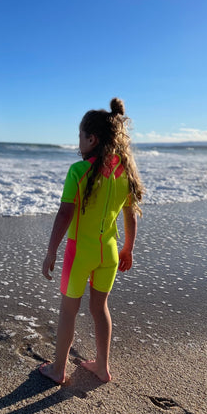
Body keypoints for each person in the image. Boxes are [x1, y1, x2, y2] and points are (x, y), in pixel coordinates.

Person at [40, 98, 144, 384]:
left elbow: (64, 214)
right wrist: (128, 249)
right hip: (109, 253)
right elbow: (131, 216)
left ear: (92, 138)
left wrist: (51, 251)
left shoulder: (78, 171)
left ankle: (58, 369)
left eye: (80, 136)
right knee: (100, 309)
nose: (78, 142)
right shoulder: (126, 173)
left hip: (79, 254)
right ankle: (102, 366)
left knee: (68, 311)